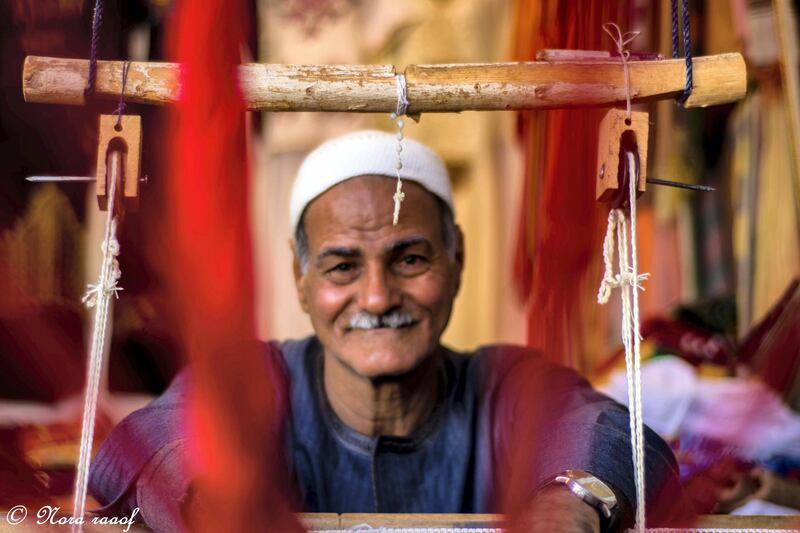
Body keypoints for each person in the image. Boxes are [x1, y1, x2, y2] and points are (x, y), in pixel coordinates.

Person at [89, 130, 688, 532]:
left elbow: (615, 438)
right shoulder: (253, 381)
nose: (377, 297)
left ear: (456, 262)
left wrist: (571, 499)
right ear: (300, 280)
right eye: (342, 265)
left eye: (410, 260)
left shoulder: (505, 385)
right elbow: (150, 442)